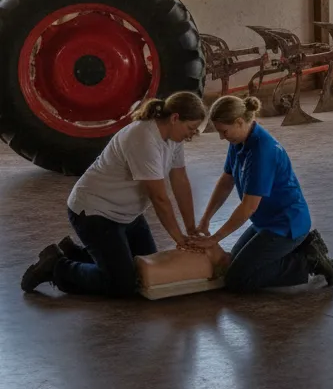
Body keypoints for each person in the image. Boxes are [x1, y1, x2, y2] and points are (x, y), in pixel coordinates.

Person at [21, 92, 207, 296]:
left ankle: (75, 253)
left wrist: (190, 228)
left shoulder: (173, 138)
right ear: (174, 118)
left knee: (146, 271)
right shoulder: (143, 137)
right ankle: (57, 266)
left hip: (127, 214)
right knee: (122, 284)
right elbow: (159, 198)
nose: (191, 134)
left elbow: (180, 181)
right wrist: (180, 239)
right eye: (190, 128)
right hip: (95, 212)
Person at [196, 95, 333, 291]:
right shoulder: (238, 140)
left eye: (223, 131)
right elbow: (226, 181)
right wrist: (205, 218)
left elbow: (248, 207)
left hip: (286, 224)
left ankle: (308, 260)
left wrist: (214, 239)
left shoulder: (262, 151)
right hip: (266, 222)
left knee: (238, 279)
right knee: (232, 265)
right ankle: (294, 252)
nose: (222, 137)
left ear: (239, 122)